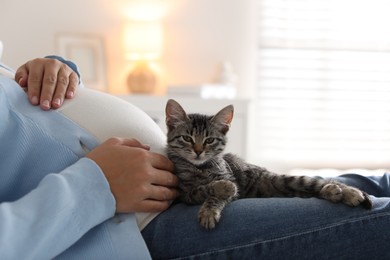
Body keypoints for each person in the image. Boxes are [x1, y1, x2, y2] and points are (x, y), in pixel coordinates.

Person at [1, 56, 390, 260]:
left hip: (168, 196)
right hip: (136, 224)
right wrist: (96, 185)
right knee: (378, 217)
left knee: (377, 183)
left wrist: (51, 70)